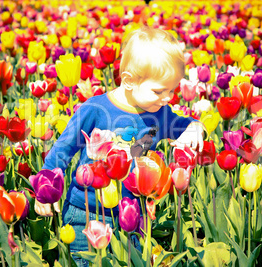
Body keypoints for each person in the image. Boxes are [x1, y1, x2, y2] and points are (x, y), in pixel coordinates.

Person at [41, 26, 205, 266]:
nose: (167, 98)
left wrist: (195, 127)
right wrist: (47, 187)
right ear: (128, 81)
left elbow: (184, 125)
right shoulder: (94, 109)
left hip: (131, 213)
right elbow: (62, 149)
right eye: (159, 90)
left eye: (172, 90)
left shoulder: (159, 113)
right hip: (86, 211)